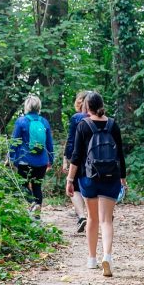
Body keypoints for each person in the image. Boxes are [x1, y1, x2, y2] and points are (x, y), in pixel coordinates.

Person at [65, 91, 127, 277]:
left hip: (88, 177)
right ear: (101, 104)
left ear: (86, 107)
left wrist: (70, 179)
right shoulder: (113, 124)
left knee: (92, 219)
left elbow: (76, 156)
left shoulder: (83, 125)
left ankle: (91, 259)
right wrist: (122, 178)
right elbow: (120, 154)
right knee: (107, 220)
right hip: (111, 176)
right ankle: (107, 256)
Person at [9, 95, 54, 217]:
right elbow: (49, 143)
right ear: (39, 107)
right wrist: (51, 159)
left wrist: (10, 157)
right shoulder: (44, 122)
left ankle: (32, 203)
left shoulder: (21, 121)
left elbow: (14, 141)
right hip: (42, 161)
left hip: (25, 160)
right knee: (37, 186)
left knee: (22, 184)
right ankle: (37, 216)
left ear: (27, 106)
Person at [63, 91, 89, 233]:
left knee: (75, 187)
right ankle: (99, 215)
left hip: (79, 158)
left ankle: (81, 217)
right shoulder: (101, 117)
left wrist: (68, 158)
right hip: (97, 159)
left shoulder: (76, 118)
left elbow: (71, 140)